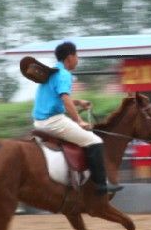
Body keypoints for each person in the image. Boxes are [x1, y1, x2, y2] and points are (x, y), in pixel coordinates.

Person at [33, 41, 122, 194]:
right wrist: (79, 121)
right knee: (94, 140)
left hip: (39, 122)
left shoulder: (51, 73)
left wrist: (78, 102)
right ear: (70, 57)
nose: (78, 59)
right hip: (53, 122)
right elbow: (65, 99)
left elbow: (58, 98)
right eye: (77, 55)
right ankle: (101, 186)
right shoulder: (64, 74)